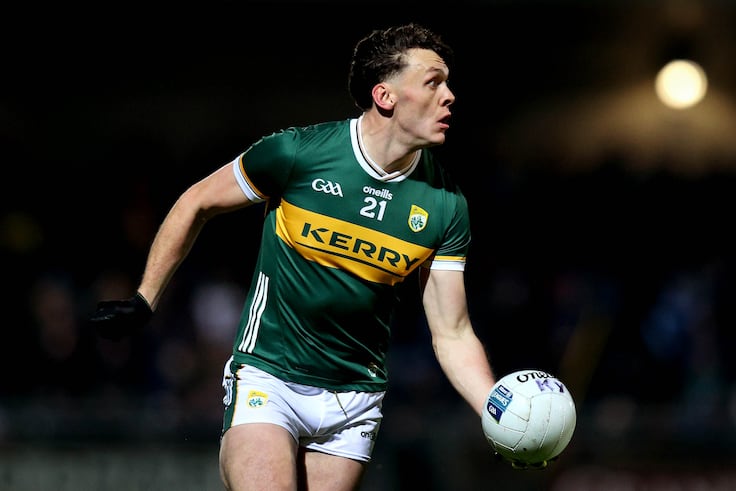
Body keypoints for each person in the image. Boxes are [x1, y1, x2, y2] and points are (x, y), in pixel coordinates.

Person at [90, 22, 499, 490]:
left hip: (354, 400)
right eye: (433, 82)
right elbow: (197, 202)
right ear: (385, 96)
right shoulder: (298, 154)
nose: (450, 95)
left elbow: (453, 333)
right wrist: (146, 298)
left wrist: (496, 408)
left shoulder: (445, 204)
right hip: (270, 376)